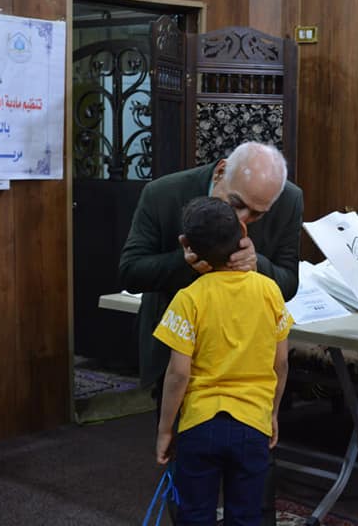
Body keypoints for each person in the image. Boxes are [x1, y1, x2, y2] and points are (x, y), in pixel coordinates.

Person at [119, 141, 302, 524]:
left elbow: (288, 282)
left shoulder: (288, 199)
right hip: (184, 369)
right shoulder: (163, 194)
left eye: (257, 213)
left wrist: (257, 263)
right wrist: (186, 263)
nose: (243, 222)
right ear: (220, 172)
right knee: (188, 493)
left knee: (254, 500)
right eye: (236, 204)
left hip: (249, 381)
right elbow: (131, 271)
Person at [153, 196, 292, 525]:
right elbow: (281, 363)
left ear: (186, 245)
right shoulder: (270, 291)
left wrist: (165, 429)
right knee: (246, 515)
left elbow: (178, 374)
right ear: (242, 231)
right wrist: (272, 412)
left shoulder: (188, 299)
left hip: (200, 424)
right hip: (252, 423)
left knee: (194, 514)